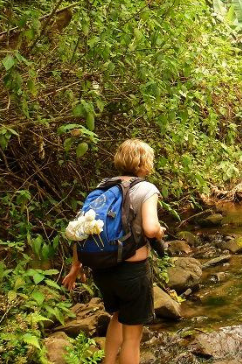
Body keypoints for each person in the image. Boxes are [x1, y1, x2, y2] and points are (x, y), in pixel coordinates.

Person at [62, 139, 164, 364]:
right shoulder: (145, 188)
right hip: (132, 272)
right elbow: (149, 227)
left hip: (103, 269)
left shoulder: (102, 188)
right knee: (132, 336)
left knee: (117, 315)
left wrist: (75, 267)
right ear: (143, 163)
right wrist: (159, 232)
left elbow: (82, 230)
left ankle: (108, 362)